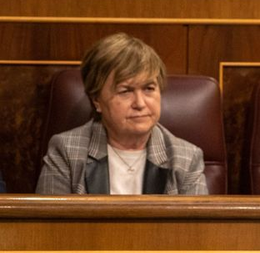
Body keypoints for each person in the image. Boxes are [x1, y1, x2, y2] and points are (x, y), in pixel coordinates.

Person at [36, 33, 207, 195]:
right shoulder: (66, 152)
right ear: (97, 99)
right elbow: (50, 226)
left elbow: (195, 227)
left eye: (149, 89)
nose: (140, 103)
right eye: (125, 91)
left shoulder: (186, 158)